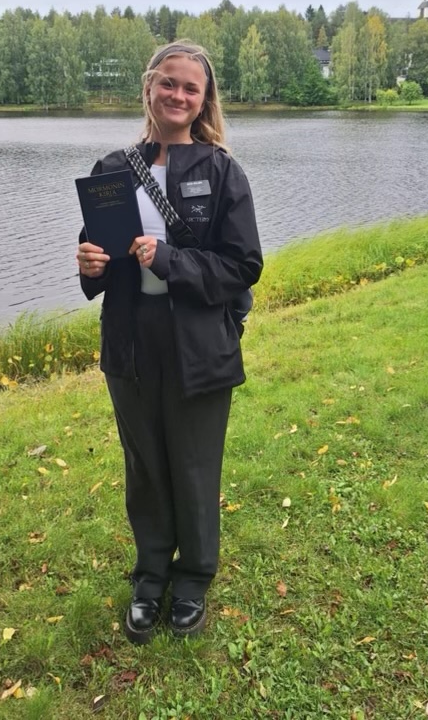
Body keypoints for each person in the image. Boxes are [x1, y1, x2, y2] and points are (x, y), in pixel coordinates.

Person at [76, 41, 263, 644]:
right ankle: (150, 577)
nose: (178, 96)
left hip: (200, 344)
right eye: (169, 84)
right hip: (131, 344)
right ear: (149, 88)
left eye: (192, 88)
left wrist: (173, 260)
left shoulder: (221, 170)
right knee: (146, 466)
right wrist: (89, 264)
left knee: (193, 464)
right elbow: (97, 264)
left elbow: (242, 265)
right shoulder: (111, 170)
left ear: (204, 100)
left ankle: (192, 580)